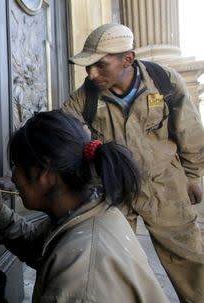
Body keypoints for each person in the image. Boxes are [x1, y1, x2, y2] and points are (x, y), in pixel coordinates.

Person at [62, 23, 204, 303]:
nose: (91, 74)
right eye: (88, 66)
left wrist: (192, 176)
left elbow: (189, 131)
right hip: (115, 191)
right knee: (114, 265)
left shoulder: (165, 81)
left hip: (165, 187)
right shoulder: (83, 99)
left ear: (128, 59)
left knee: (190, 265)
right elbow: (61, 135)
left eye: (100, 65)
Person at [0, 110, 168, 302]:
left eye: (15, 166)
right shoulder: (86, 212)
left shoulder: (83, 282)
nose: (14, 177)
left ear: (43, 172)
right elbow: (37, 246)